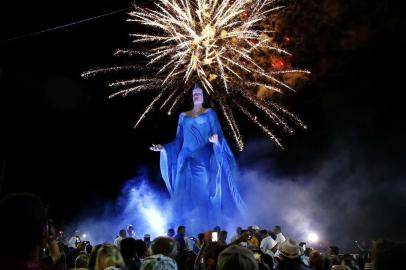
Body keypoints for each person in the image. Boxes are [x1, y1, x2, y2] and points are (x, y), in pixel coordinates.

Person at [150, 82, 246, 227]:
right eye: (194, 94)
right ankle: (180, 225)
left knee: (202, 190)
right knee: (180, 190)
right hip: (185, 155)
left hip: (202, 157)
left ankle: (205, 225)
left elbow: (217, 132)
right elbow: (179, 139)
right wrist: (164, 148)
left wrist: (216, 141)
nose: (196, 95)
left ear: (203, 97)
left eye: (199, 94)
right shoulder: (183, 115)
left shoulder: (210, 113)